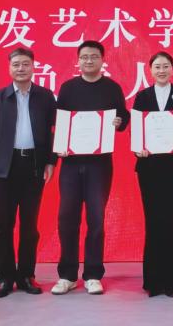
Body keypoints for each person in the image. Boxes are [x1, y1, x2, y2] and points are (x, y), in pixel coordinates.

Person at [51, 40, 130, 296]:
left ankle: (93, 274)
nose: (88, 61)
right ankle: (67, 275)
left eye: (94, 56)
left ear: (102, 60)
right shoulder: (68, 88)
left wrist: (119, 121)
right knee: (67, 218)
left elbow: (124, 117)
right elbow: (60, 122)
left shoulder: (112, 88)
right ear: (78, 60)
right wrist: (60, 147)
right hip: (71, 164)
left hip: (99, 164)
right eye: (84, 57)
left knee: (96, 219)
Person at [0, 47, 58, 298]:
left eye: (25, 64)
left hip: (33, 166)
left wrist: (51, 161)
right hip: (5, 168)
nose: (21, 68)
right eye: (16, 64)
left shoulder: (45, 97)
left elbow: (55, 131)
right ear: (9, 68)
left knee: (29, 226)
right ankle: (4, 278)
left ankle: (26, 275)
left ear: (33, 67)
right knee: (4, 226)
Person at [132, 51, 173, 297]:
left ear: (172, 69)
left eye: (166, 66)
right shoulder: (142, 96)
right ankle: (153, 281)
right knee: (153, 220)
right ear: (150, 70)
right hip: (148, 166)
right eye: (157, 66)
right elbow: (137, 129)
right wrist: (139, 148)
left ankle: (172, 281)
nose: (161, 70)